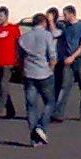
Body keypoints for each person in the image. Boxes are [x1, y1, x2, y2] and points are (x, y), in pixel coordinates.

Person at [18, 13, 58, 146]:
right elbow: (52, 56)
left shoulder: (24, 37)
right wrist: (51, 69)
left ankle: (34, 139)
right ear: (44, 23)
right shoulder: (47, 35)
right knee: (50, 102)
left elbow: (20, 57)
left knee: (31, 106)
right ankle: (41, 126)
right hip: (44, 73)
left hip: (29, 73)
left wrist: (22, 70)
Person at [53, 4, 81, 121]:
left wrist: (73, 56)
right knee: (65, 86)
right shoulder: (66, 27)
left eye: (65, 15)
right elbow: (55, 32)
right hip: (68, 60)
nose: (64, 17)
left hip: (80, 60)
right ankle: (58, 113)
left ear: (72, 14)